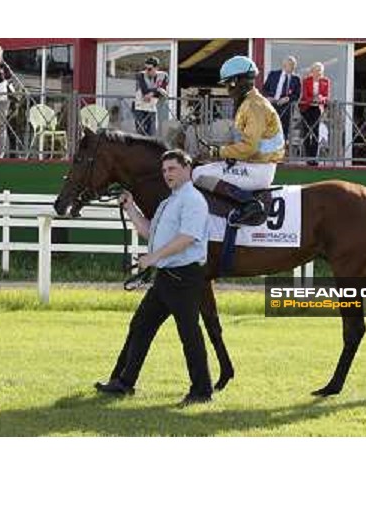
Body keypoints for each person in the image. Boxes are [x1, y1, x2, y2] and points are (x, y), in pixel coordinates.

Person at [95, 149, 213, 406]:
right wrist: (130, 207)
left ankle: (202, 391)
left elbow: (188, 237)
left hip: (184, 276)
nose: (167, 174)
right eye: (164, 171)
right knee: (141, 326)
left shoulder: (192, 200)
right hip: (166, 277)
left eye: (172, 169)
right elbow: (149, 232)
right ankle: (124, 383)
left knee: (189, 334)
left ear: (187, 169)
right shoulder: (169, 202)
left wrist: (153, 258)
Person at [192, 55, 285, 226]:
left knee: (198, 174)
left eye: (229, 83)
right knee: (200, 168)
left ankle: (250, 204)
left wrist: (216, 152)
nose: (227, 88)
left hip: (258, 170)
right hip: (253, 165)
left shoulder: (254, 106)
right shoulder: (247, 103)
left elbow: (249, 147)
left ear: (238, 81)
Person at [263, 55, 301, 142]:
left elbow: (297, 95)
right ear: (284, 65)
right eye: (290, 65)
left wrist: (288, 98)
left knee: (283, 129)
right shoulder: (273, 74)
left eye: (293, 65)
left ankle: (281, 148)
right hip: (271, 105)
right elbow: (264, 89)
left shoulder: (296, 79)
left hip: (286, 107)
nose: (293, 67)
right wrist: (268, 97)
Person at [299, 62, 330, 165]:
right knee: (307, 132)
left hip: (317, 108)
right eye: (316, 70)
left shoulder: (326, 81)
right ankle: (308, 157)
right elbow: (304, 95)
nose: (318, 72)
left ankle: (314, 157)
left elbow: (326, 96)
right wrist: (313, 99)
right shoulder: (306, 81)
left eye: (320, 70)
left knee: (316, 131)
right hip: (307, 107)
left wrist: (321, 98)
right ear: (312, 71)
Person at [134, 56, 168, 136]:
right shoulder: (140, 75)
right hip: (140, 107)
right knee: (140, 134)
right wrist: (158, 90)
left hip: (152, 107)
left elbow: (164, 92)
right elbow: (145, 92)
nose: (146, 71)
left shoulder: (164, 75)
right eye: (145, 68)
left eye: (149, 69)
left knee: (152, 133)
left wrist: (154, 92)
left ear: (156, 68)